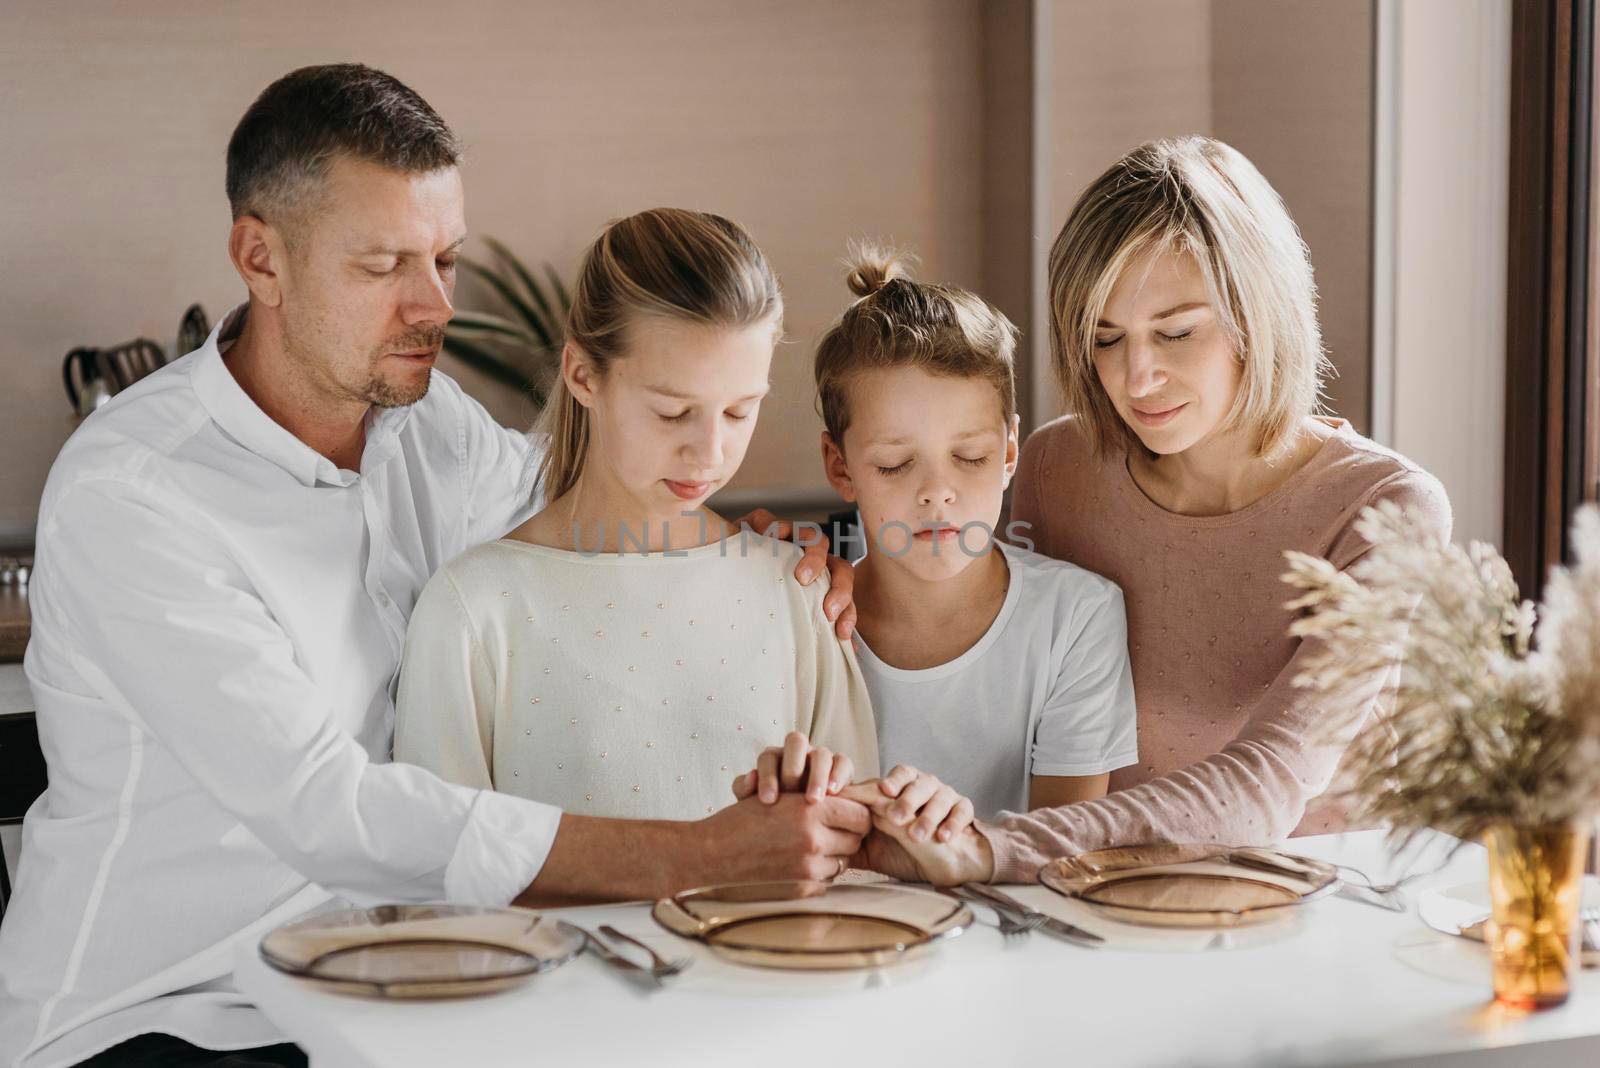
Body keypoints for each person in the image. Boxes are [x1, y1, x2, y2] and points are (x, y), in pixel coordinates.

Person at [0, 65, 865, 1068]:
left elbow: (601, 498)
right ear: (259, 256)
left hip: (403, 990)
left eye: (445, 257)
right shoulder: (136, 493)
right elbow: (330, 812)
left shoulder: (428, 426)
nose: (433, 304)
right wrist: (708, 856)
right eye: (383, 264)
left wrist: (772, 555)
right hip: (170, 1013)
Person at [803, 136, 1452, 887]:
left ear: (1258, 313)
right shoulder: (1062, 466)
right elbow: (1009, 633)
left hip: (1317, 901)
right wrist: (819, 577)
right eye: (1105, 338)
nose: (1137, 377)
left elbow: (1270, 781)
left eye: (1176, 332)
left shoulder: (1387, 508)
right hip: (1103, 894)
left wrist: (990, 848)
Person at [395, 208, 878, 825]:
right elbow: (443, 873)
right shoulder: (473, 608)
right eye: (674, 412)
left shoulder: (799, 592)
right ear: (582, 375)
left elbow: (855, 856)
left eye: (738, 412)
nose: (709, 453)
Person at [734, 245, 1136, 842]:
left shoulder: (1077, 617)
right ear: (840, 467)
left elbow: (1061, 849)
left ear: (1007, 453)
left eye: (969, 457)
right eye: (896, 465)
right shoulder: (802, 613)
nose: (937, 493)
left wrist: (959, 838)